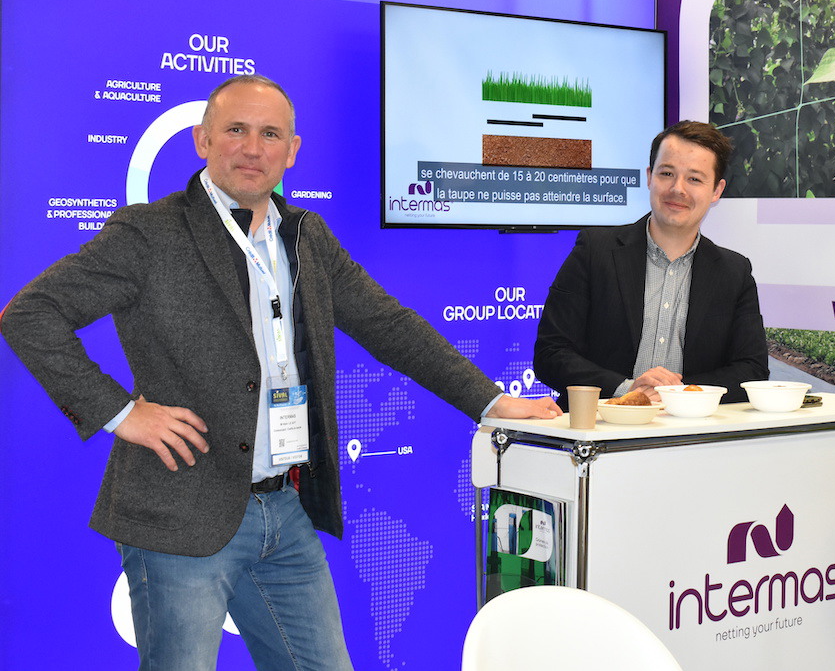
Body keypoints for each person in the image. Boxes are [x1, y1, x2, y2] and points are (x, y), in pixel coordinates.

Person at [0, 74, 561, 670]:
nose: (252, 148)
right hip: (179, 512)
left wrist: (490, 402)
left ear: (291, 151)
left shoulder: (305, 236)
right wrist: (121, 412)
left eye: (270, 134)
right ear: (202, 140)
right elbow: (30, 314)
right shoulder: (149, 233)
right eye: (235, 130)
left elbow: (388, 325)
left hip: (285, 509)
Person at [533, 120, 768, 408]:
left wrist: (681, 393)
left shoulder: (734, 272)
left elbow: (752, 370)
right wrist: (628, 390)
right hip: (600, 424)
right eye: (667, 173)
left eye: (694, 179)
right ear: (649, 176)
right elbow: (551, 354)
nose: (677, 189)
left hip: (692, 428)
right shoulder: (595, 251)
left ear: (716, 191)